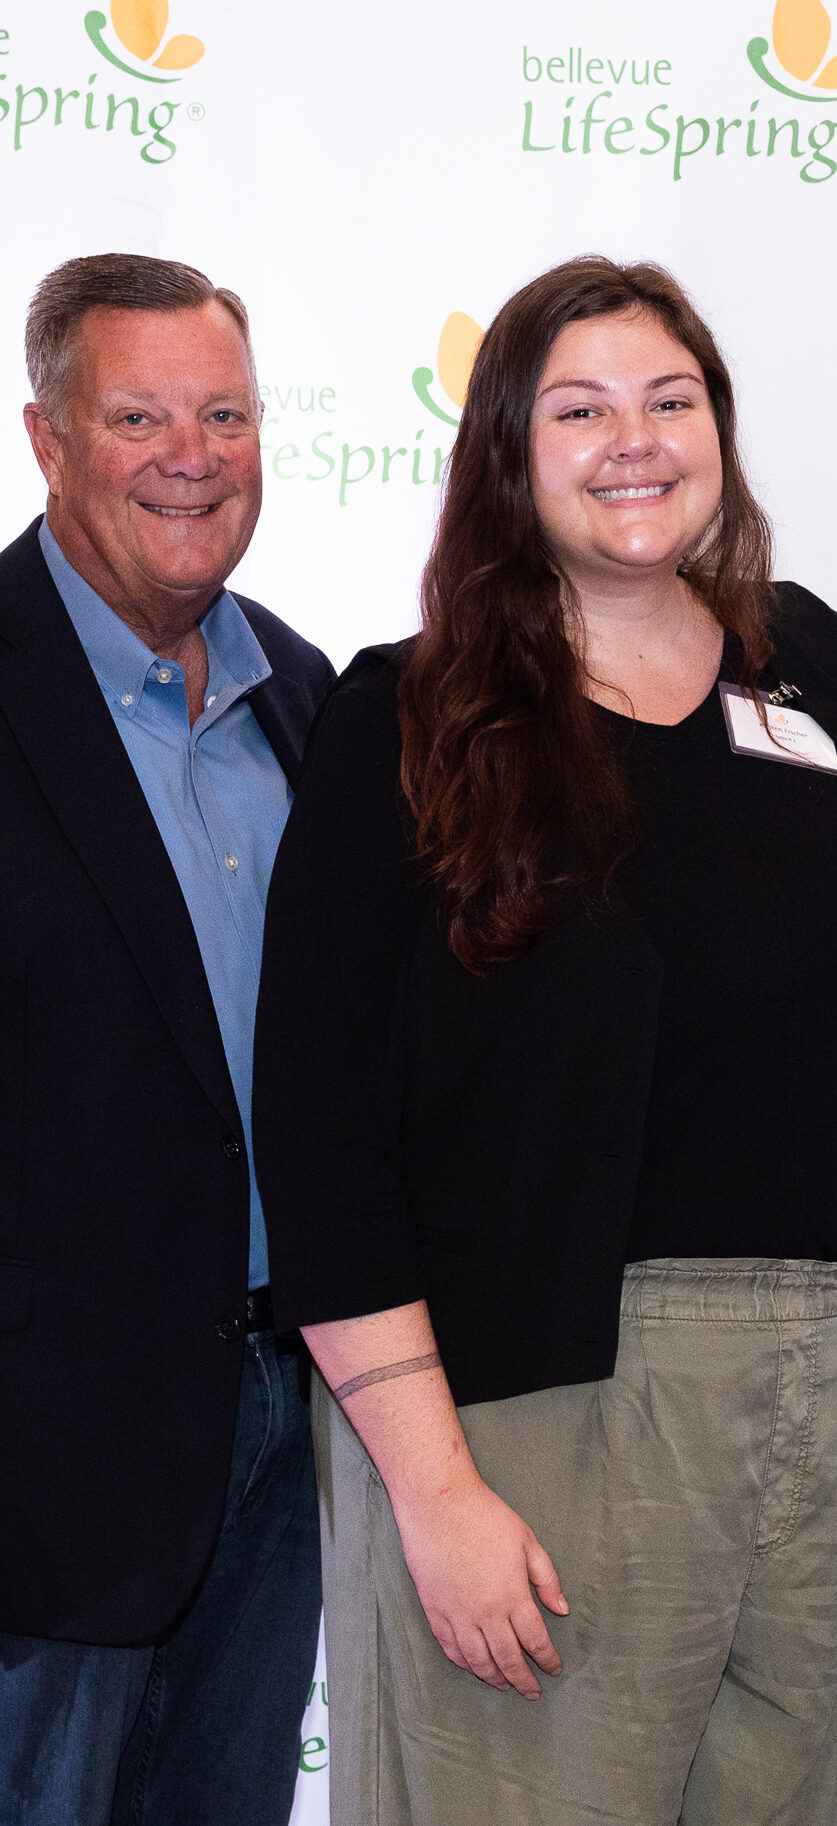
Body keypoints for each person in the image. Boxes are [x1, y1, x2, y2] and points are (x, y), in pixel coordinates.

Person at [254, 256, 837, 1826]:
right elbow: (322, 1139)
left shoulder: (809, 663)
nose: (634, 439)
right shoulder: (406, 716)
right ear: (508, 448)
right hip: (533, 1398)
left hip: (822, 1376)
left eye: (669, 400)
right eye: (580, 409)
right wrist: (432, 1487)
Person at [0, 255, 332, 1824]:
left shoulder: (307, 698)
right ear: (48, 439)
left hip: (284, 1420)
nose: (190, 457)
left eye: (226, 415)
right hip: (42, 1457)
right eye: (137, 417)